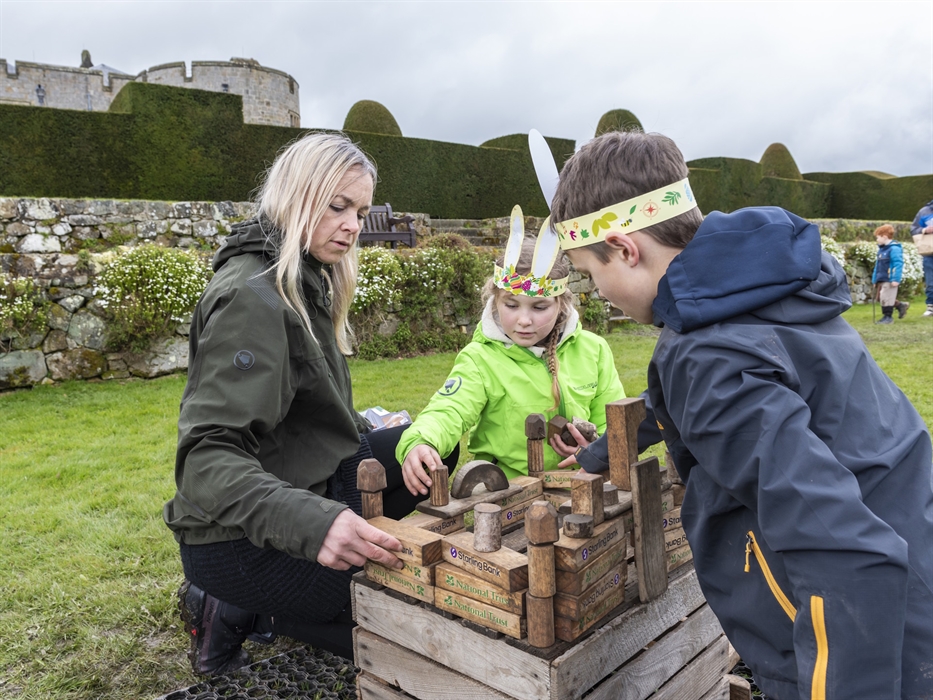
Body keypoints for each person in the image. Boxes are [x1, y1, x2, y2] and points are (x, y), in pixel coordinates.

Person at [548, 131, 933, 699]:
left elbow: (845, 553)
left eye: (588, 271)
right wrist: (602, 453)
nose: (597, 292)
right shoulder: (754, 289)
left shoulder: (707, 356)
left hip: (866, 653)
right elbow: (727, 399)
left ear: (625, 248)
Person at [163, 132, 457, 676]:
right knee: (403, 613)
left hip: (308, 483)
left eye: (361, 211)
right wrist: (316, 524)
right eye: (338, 206)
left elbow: (295, 411)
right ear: (295, 196)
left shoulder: (304, 274)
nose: (353, 225)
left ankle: (292, 593)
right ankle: (243, 608)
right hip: (235, 541)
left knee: (432, 447)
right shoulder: (250, 299)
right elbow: (206, 460)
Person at [397, 207, 625, 496]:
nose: (524, 320)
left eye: (540, 307)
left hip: (584, 482)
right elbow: (449, 409)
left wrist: (596, 449)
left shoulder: (594, 350)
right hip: (504, 493)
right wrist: (421, 440)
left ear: (562, 304)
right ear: (495, 300)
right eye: (511, 305)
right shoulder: (480, 358)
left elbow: (614, 420)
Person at [871, 224, 909, 324]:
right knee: (881, 297)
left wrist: (896, 279)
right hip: (882, 277)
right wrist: (875, 279)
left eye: (878, 237)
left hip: (889, 278)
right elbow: (877, 265)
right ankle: (900, 305)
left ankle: (888, 317)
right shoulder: (881, 249)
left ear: (884, 236)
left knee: (886, 297)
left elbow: (898, 264)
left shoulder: (894, 249)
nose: (877, 240)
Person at [910, 199, 933, 317]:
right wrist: (925, 230)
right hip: (929, 252)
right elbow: (913, 229)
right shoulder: (924, 212)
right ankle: (931, 307)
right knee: (930, 281)